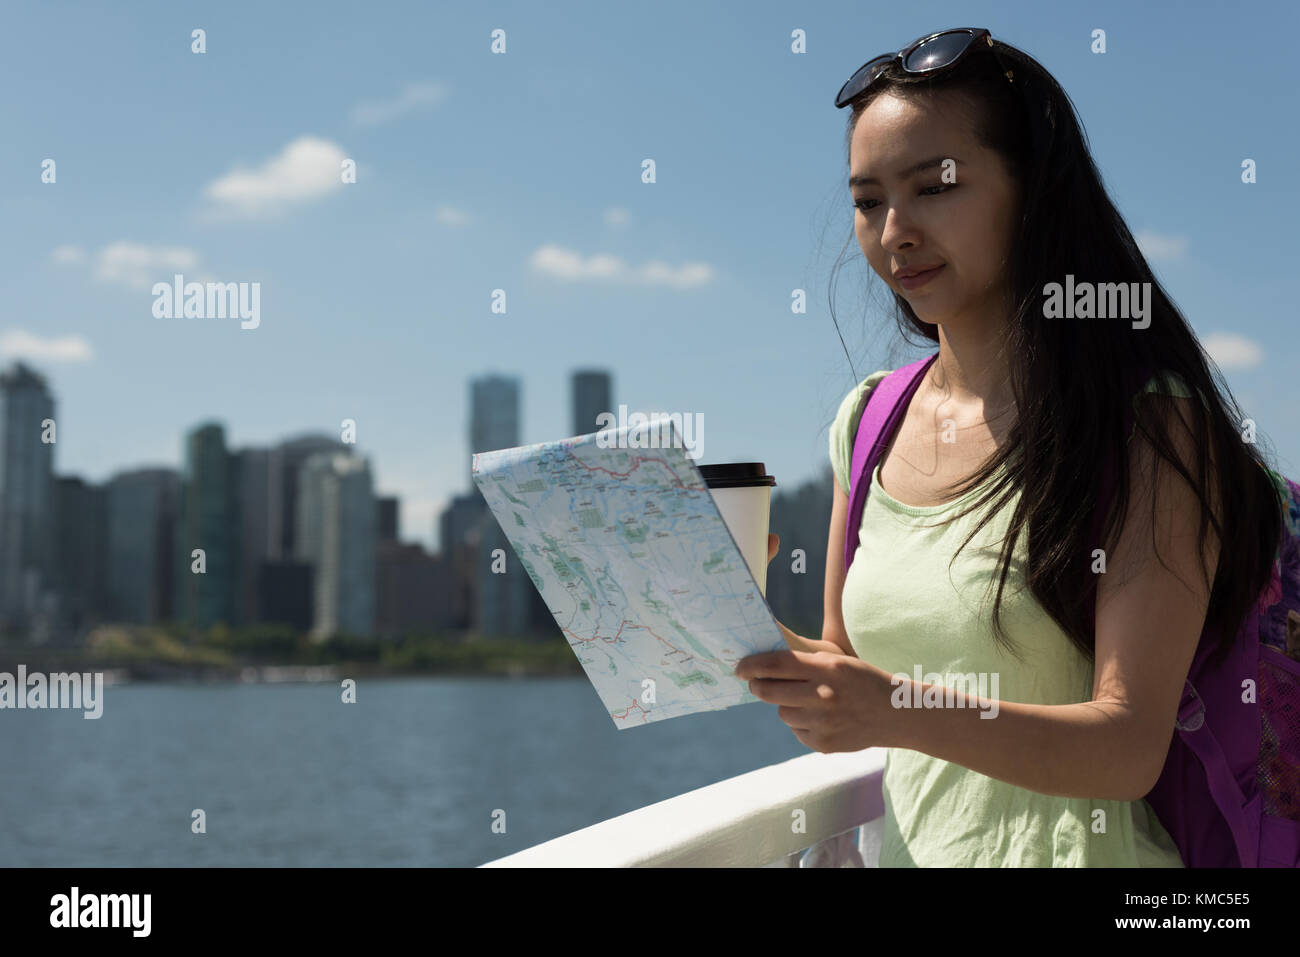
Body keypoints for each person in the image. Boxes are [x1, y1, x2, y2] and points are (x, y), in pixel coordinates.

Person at [732, 29, 1285, 866]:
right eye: (868, 199)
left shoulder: (1147, 422)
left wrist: (892, 708)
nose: (895, 232)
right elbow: (847, 679)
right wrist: (721, 614)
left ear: (1031, 193)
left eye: (935, 186)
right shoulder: (867, 422)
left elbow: (1126, 745)